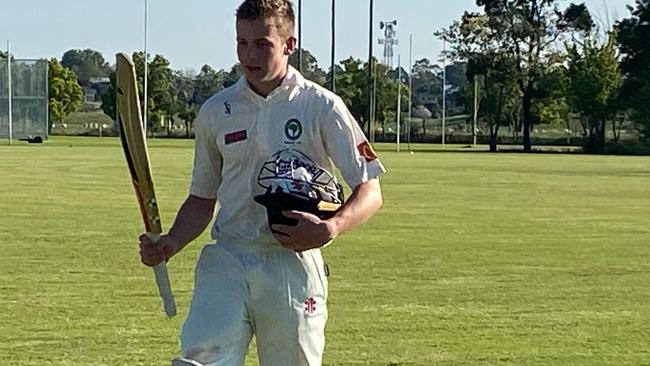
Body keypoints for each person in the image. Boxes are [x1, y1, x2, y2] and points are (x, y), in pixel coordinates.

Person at [139, 0, 385, 365]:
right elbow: (202, 198)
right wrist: (172, 241)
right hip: (228, 257)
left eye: (262, 44)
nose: (249, 55)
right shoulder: (216, 111)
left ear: (289, 44)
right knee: (202, 360)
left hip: (290, 262)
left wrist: (330, 227)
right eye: (242, 43)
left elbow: (370, 190)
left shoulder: (322, 106)